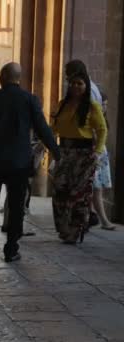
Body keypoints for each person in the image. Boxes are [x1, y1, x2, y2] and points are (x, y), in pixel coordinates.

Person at [0, 63, 61, 262]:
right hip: (19, 160)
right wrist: (56, 151)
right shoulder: (30, 99)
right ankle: (11, 247)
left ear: (2, 77)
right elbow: (43, 128)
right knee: (16, 204)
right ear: (18, 78)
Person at [51, 71, 108, 244]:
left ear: (86, 86)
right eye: (73, 83)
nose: (76, 86)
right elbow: (54, 128)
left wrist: (98, 152)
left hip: (84, 155)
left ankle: (74, 231)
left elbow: (102, 130)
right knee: (60, 191)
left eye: (80, 83)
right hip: (64, 152)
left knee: (79, 194)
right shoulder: (62, 104)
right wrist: (46, 146)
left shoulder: (92, 106)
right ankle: (63, 228)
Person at [92, 91, 116, 230]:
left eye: (106, 105)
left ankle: (93, 217)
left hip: (101, 154)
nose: (104, 107)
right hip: (95, 153)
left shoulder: (103, 118)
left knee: (97, 188)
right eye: (103, 104)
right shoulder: (95, 116)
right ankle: (104, 220)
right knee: (97, 188)